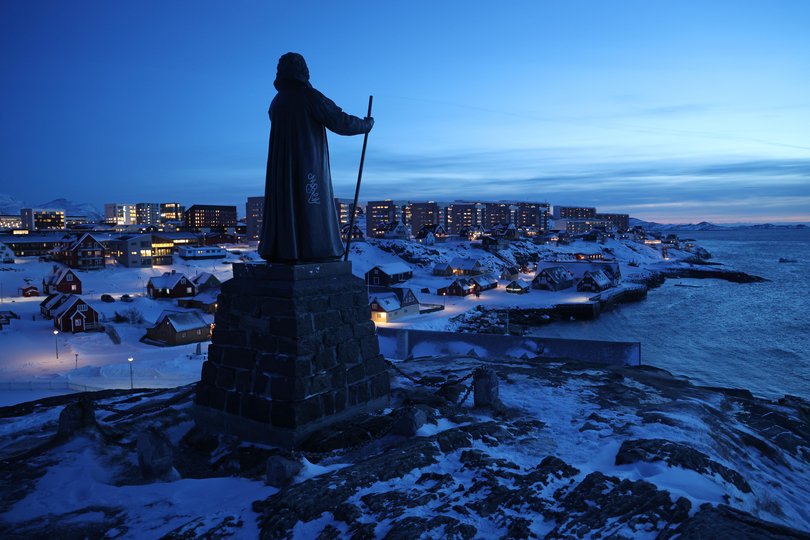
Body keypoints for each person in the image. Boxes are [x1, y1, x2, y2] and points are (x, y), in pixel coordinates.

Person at [258, 52, 374, 263]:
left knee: (288, 204)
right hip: (308, 162)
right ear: (303, 71)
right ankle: (316, 250)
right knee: (311, 203)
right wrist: (366, 125)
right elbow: (339, 121)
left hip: (282, 169)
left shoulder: (277, 102)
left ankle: (286, 250)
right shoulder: (308, 96)